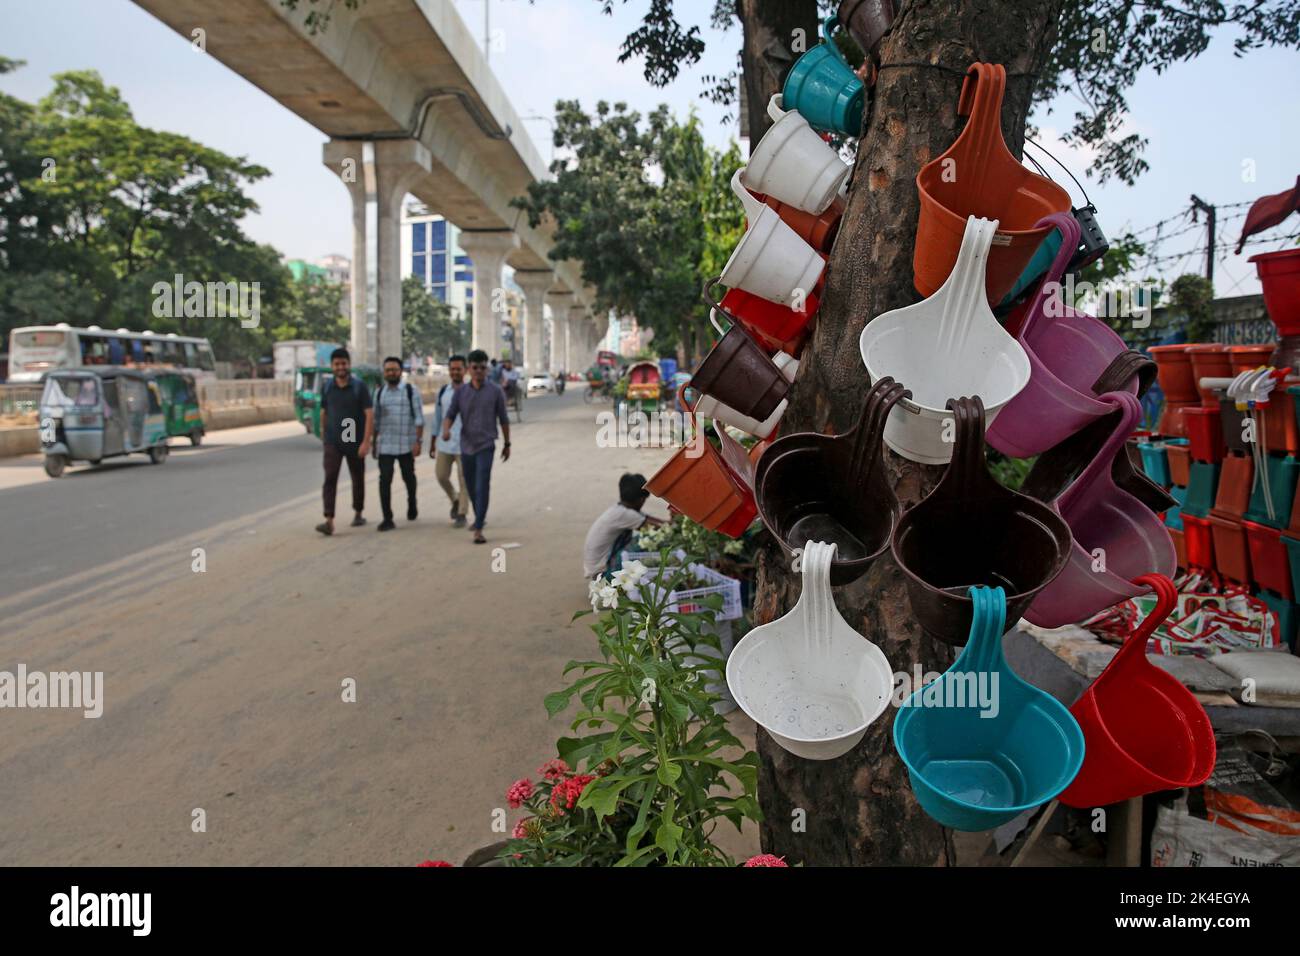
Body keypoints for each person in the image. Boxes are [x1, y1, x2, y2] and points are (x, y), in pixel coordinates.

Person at [442, 348, 510, 545]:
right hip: (466, 446)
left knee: (483, 484)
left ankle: (479, 527)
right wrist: (446, 430)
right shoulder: (461, 392)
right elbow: (450, 415)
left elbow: (504, 420)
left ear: (487, 369)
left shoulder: (495, 391)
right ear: (469, 370)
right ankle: (478, 514)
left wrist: (507, 443)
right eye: (475, 367)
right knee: (471, 486)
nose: (479, 371)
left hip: (486, 445)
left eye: (482, 367)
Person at [316, 347, 373, 535]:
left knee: (357, 477)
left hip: (354, 440)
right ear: (332, 367)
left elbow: (369, 414)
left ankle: (358, 512)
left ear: (349, 365)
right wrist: (325, 436)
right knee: (330, 477)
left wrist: (366, 441)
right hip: (333, 441)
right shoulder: (327, 387)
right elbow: (324, 412)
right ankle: (329, 520)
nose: (340, 367)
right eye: (337, 364)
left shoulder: (359, 387)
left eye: (343, 363)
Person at [372, 356, 423, 532]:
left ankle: (412, 502)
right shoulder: (379, 393)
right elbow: (376, 420)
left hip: (406, 444)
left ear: (400, 371)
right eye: (388, 370)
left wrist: (418, 441)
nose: (391, 373)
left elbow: (418, 418)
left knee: (408, 477)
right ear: (384, 373)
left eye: (394, 369)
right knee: (384, 480)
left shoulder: (410, 391)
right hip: (386, 445)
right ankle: (387, 517)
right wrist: (373, 443)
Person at [582, 473, 663, 579]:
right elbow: (660, 527)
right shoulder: (625, 515)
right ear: (641, 500)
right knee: (649, 539)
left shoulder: (619, 509)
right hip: (602, 572)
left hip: (596, 567)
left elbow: (647, 518)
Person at [430, 354, 469, 527]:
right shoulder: (443, 392)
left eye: (458, 369)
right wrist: (432, 441)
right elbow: (437, 418)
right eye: (452, 369)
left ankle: (462, 513)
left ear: (465, 370)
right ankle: (454, 499)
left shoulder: (471, 392)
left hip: (466, 444)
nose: (455, 372)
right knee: (441, 476)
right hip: (445, 443)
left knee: (464, 480)